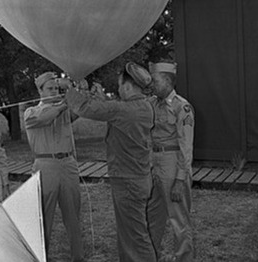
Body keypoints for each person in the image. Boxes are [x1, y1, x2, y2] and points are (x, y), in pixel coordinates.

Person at [60, 62, 160, 262]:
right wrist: (102, 98)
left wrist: (69, 89)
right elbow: (113, 110)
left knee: (136, 237)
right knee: (129, 234)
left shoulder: (124, 109)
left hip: (128, 180)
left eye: (120, 85)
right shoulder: (144, 106)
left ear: (128, 86)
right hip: (137, 178)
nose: (119, 89)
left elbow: (86, 108)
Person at [24, 72, 84, 262]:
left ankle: (78, 257)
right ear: (39, 91)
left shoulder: (64, 110)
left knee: (73, 214)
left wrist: (82, 90)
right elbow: (46, 117)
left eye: (56, 89)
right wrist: (65, 102)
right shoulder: (31, 112)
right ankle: (41, 257)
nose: (54, 92)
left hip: (68, 164)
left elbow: (82, 109)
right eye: (50, 89)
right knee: (44, 217)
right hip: (45, 165)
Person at [147, 61, 196, 262]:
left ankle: (184, 258)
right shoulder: (151, 103)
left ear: (167, 81)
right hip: (154, 163)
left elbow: (186, 146)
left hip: (173, 162)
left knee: (178, 218)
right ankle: (151, 255)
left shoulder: (181, 107)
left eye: (155, 81)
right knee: (152, 216)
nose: (152, 85)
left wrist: (179, 179)